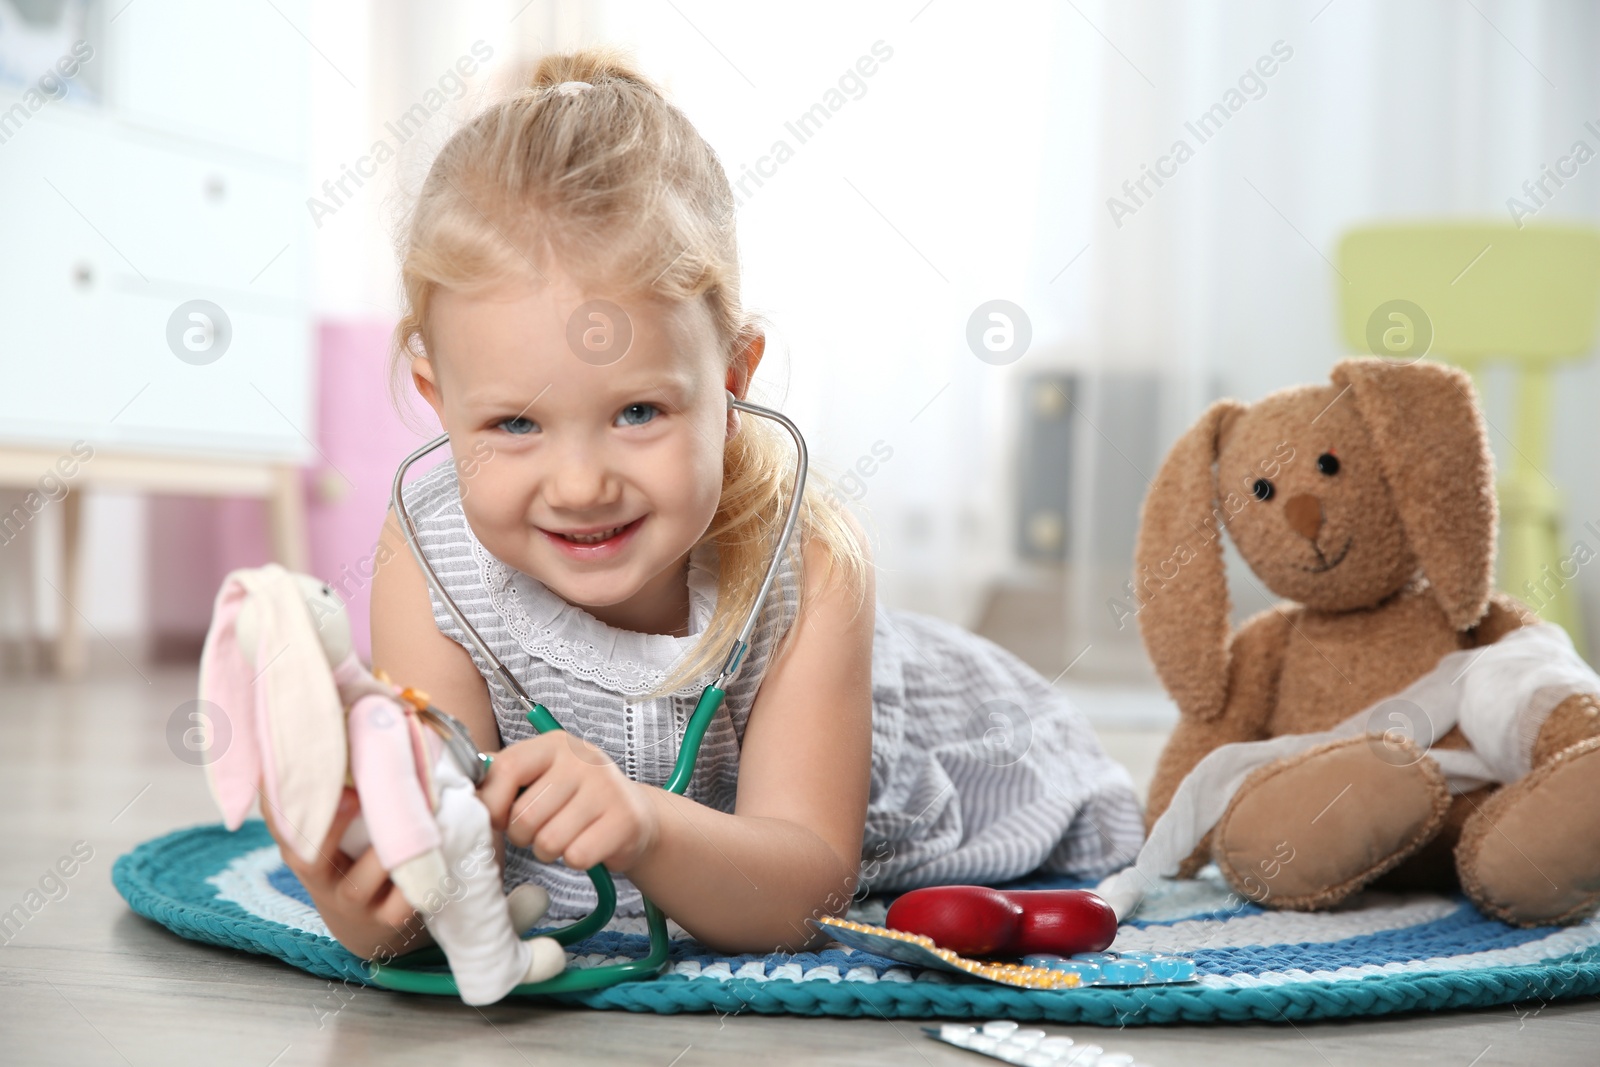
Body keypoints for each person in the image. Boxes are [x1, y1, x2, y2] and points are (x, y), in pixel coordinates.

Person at [268, 49, 1141, 961]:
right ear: (436, 397)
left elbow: (804, 890)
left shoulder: (813, 569)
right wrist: (375, 897)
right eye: (516, 422)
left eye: (638, 411)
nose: (579, 484)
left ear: (732, 378)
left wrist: (645, 825)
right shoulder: (423, 555)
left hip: (960, 742)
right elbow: (449, 874)